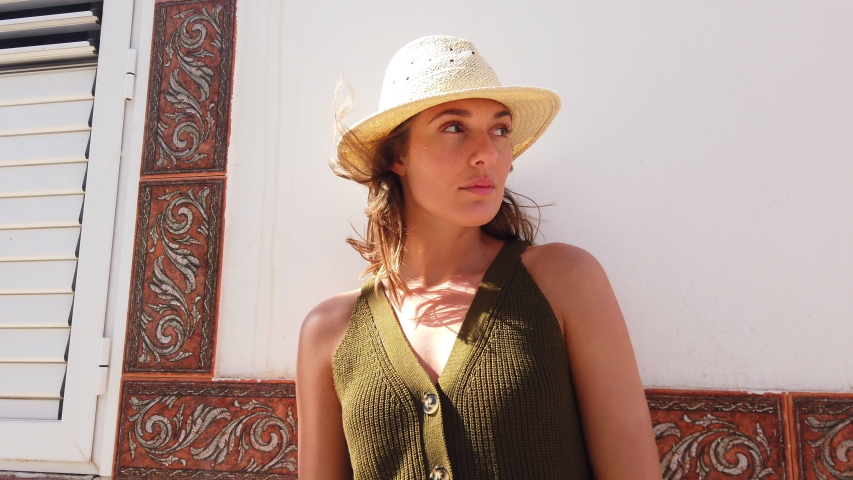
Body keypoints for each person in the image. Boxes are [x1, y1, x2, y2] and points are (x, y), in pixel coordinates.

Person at [297, 35, 662, 480]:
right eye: (454, 127)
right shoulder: (329, 331)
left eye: (500, 130)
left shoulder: (564, 281)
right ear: (397, 155)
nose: (487, 153)